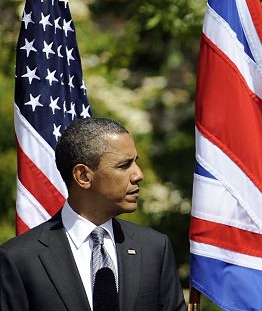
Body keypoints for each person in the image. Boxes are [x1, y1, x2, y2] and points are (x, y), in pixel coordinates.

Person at [0, 118, 186, 311]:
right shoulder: (18, 258)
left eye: (135, 163)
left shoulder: (155, 248)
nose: (138, 175)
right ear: (83, 176)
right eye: (124, 165)